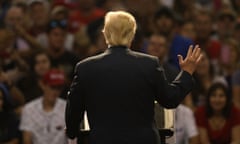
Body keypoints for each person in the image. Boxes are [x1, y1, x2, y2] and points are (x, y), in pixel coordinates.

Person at [65, 11, 202, 144]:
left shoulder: (85, 68)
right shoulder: (149, 64)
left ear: (106, 33)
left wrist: (72, 132)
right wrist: (187, 73)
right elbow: (170, 99)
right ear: (132, 35)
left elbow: (73, 112)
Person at [20, 69, 67, 144]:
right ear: (43, 85)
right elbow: (27, 140)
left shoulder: (67, 108)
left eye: (59, 88)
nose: (55, 92)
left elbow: (72, 139)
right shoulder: (29, 109)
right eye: (52, 87)